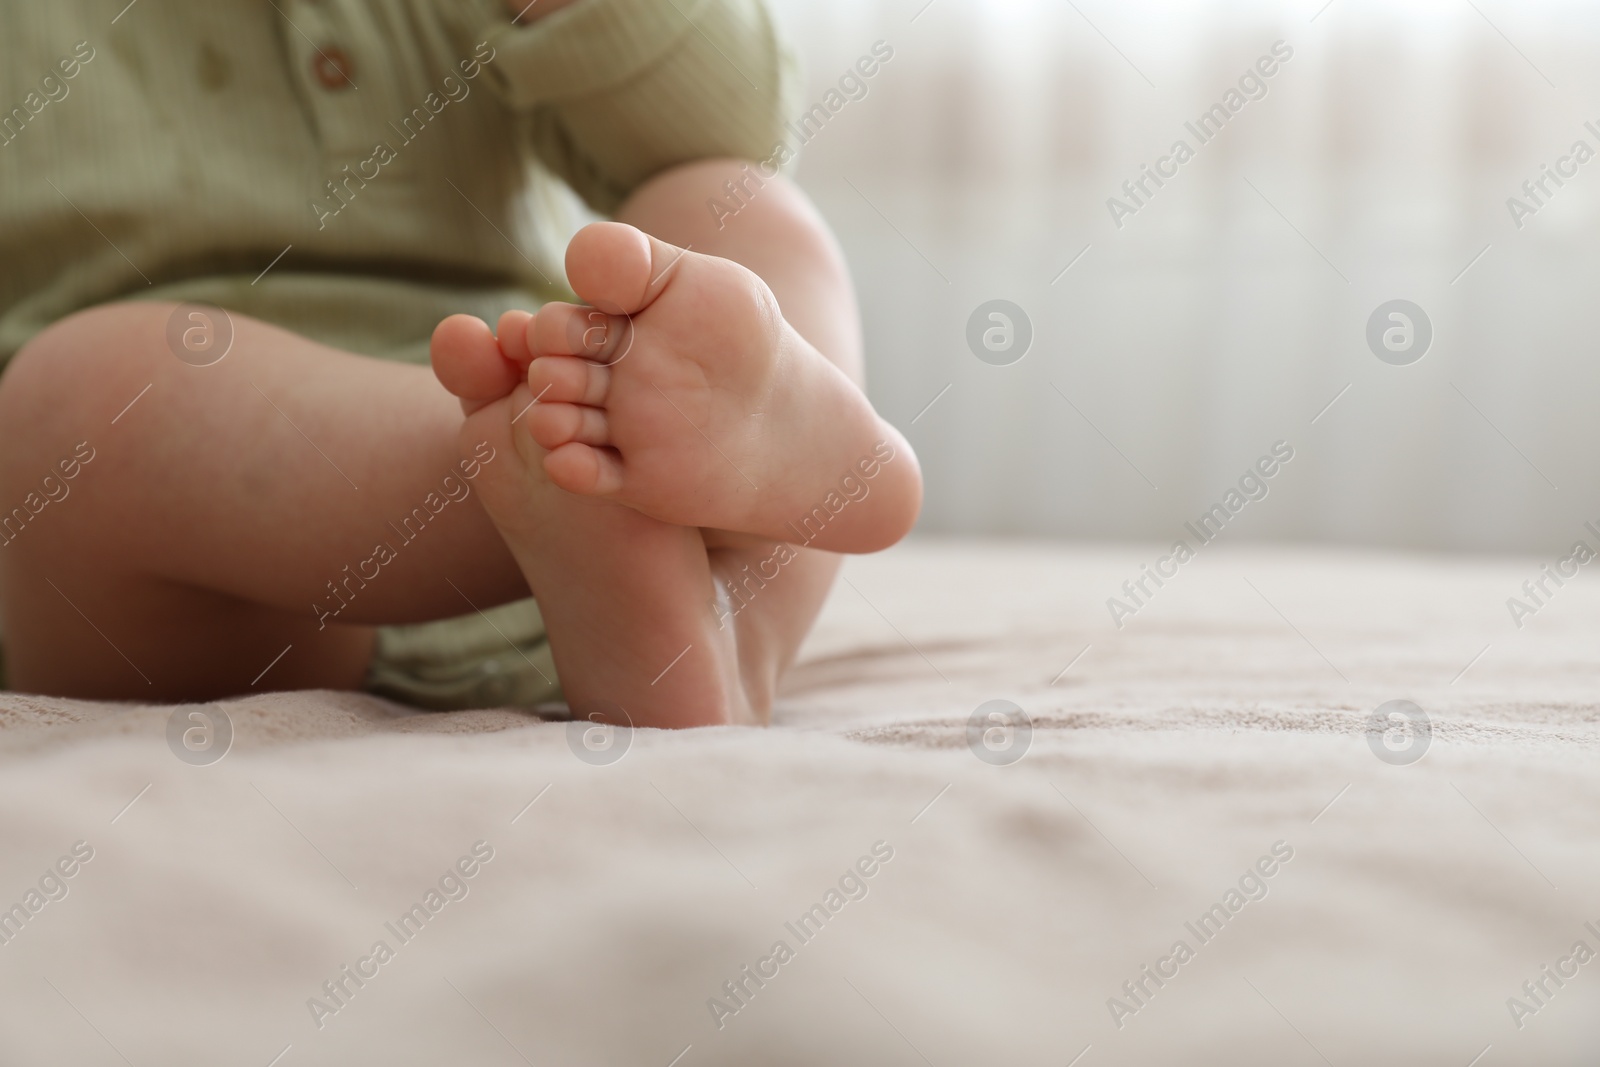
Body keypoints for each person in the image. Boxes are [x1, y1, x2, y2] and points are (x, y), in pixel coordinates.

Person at [0, 0, 921, 727]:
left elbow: (731, 121)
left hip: (543, 375)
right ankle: (568, 477)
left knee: (735, 195)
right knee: (82, 403)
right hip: (247, 591)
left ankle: (721, 628)